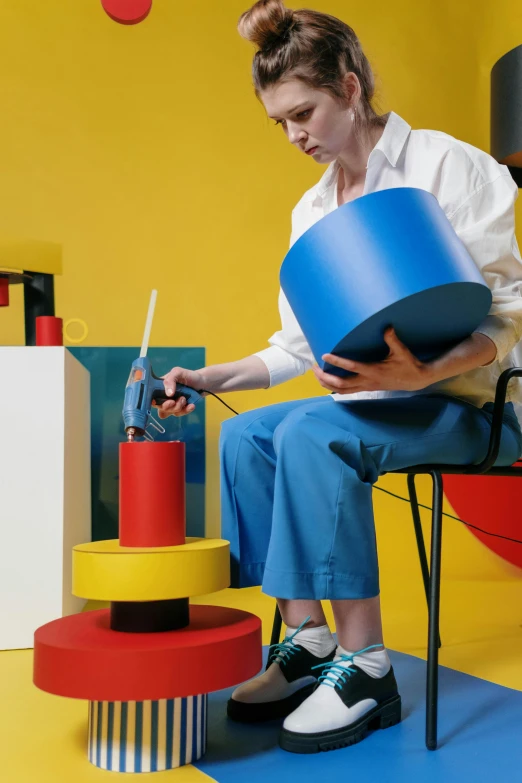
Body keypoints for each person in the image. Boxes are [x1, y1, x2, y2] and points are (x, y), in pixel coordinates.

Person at [154, 0, 522, 755]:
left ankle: (367, 666)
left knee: (314, 430)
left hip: (470, 405)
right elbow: (297, 345)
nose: (295, 136)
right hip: (382, 405)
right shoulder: (312, 210)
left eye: (304, 112)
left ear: (351, 88)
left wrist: (425, 369)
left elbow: (509, 313)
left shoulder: (447, 165)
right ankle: (309, 638)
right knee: (246, 435)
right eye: (280, 123)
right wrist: (205, 375)